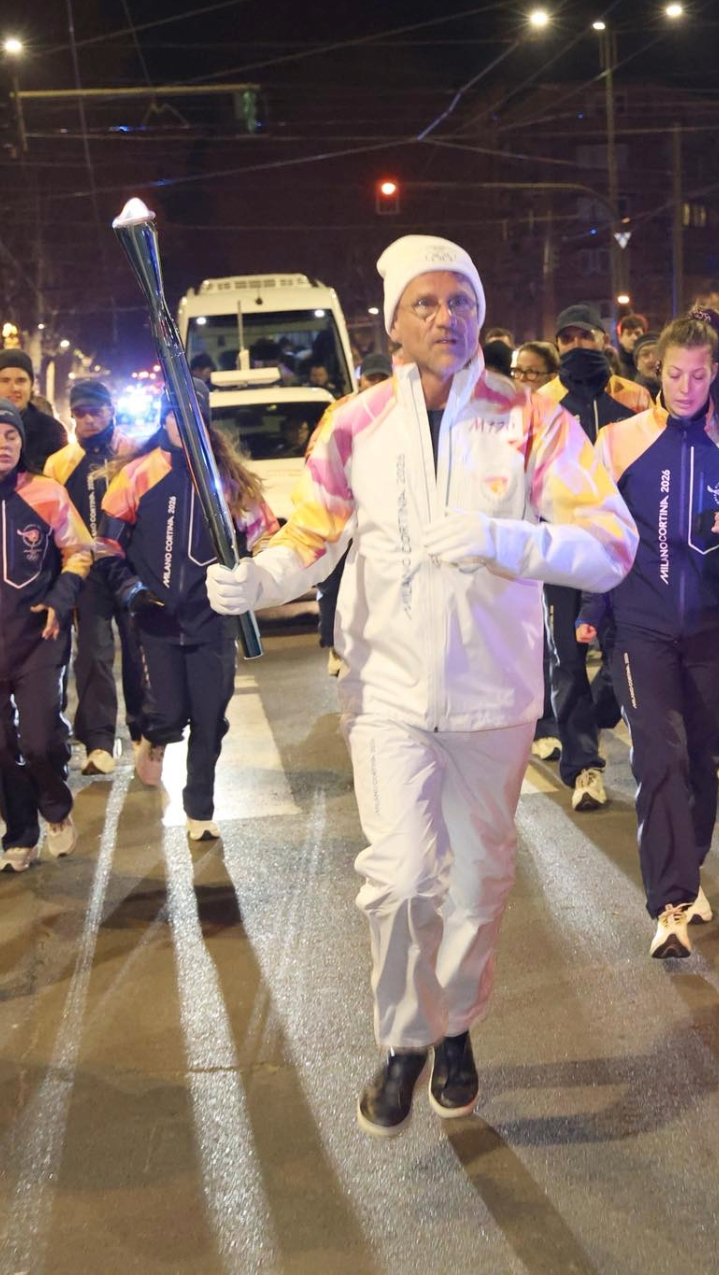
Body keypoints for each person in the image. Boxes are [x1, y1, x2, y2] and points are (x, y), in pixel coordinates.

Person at [206, 235, 635, 1135]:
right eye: (428, 304)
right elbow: (311, 537)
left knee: (476, 886)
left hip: (495, 697)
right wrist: (260, 578)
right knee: (400, 883)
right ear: (394, 323)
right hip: (388, 694)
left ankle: (459, 1032)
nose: (449, 318)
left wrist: (508, 542)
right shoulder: (353, 423)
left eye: (463, 300)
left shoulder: (533, 420)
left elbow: (612, 548)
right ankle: (405, 1039)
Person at [579, 309, 719, 958]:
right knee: (658, 753)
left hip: (714, 626)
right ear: (656, 371)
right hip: (640, 624)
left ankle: (687, 872)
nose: (686, 386)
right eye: (674, 374)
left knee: (701, 758)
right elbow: (599, 533)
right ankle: (669, 901)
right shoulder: (619, 441)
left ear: (715, 373)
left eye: (698, 375)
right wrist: (591, 608)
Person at [99, 388, 276, 841]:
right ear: (164, 419)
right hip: (157, 620)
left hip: (213, 620)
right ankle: (155, 736)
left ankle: (199, 808)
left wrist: (257, 574)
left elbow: (266, 537)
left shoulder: (226, 479)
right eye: (174, 414)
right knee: (170, 711)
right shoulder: (138, 475)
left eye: (192, 413)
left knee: (211, 716)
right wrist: (132, 591)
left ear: (205, 418)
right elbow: (108, 547)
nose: (182, 423)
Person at [0, 397, 90, 871]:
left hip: (39, 636)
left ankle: (55, 809)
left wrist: (61, 596)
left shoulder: (47, 492)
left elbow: (79, 551)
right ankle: (20, 833)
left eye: (11, 435)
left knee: (39, 741)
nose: (3, 444)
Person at [536, 306, 645, 810]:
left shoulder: (634, 396)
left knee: (623, 654)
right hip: (560, 552)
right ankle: (584, 767)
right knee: (566, 656)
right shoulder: (541, 403)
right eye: (567, 338)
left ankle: (605, 710)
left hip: (619, 551)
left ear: (605, 339)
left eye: (586, 336)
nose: (577, 345)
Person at [45, 379, 146, 776]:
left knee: (140, 650)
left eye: (96, 412)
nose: (88, 420)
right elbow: (55, 518)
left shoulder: (133, 451)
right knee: (93, 653)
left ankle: (143, 729)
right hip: (88, 570)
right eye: (81, 413)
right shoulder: (60, 462)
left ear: (111, 411)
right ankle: (100, 740)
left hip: (131, 567)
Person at [317, 354, 396, 676]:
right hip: (344, 510)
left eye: (382, 379)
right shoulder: (340, 411)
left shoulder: (403, 410)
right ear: (360, 379)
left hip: (385, 510)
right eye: (371, 379)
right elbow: (320, 456)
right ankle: (334, 646)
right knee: (334, 579)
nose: (375, 385)